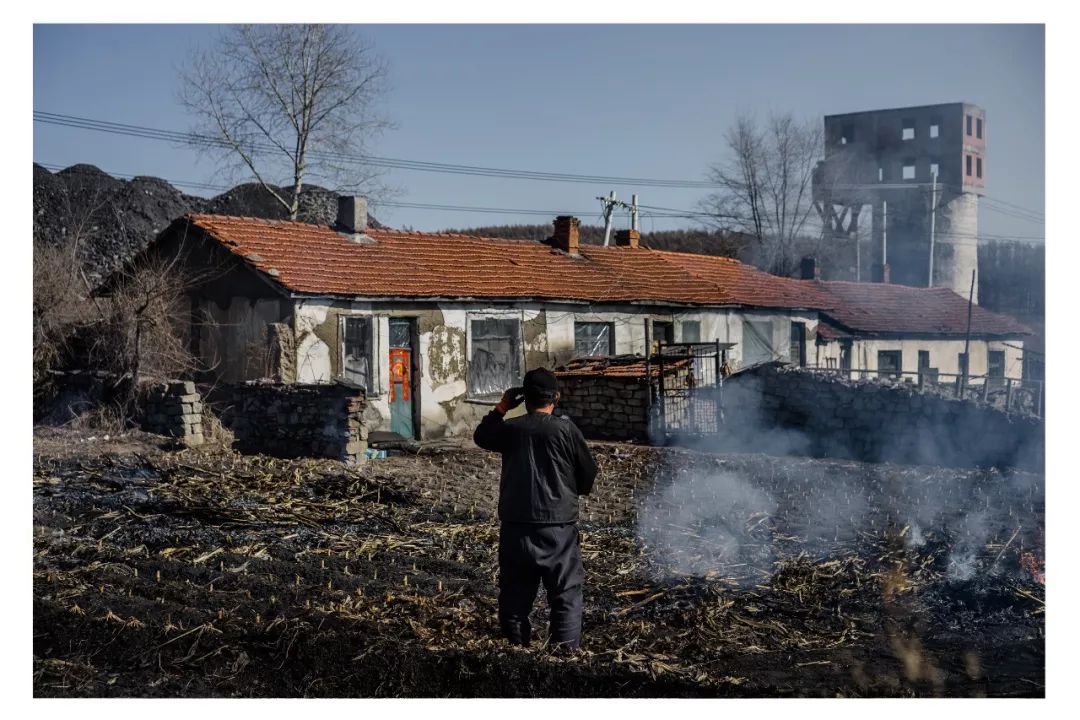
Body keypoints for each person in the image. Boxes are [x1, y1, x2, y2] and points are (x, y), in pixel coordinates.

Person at [473, 367, 597, 653]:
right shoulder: (566, 430)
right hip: (558, 527)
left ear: (524, 399)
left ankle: (515, 650)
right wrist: (567, 491)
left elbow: (482, 436)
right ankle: (564, 654)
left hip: (516, 525)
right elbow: (588, 473)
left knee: (515, 592)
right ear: (556, 397)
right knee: (565, 592)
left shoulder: (511, 430)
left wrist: (502, 407)